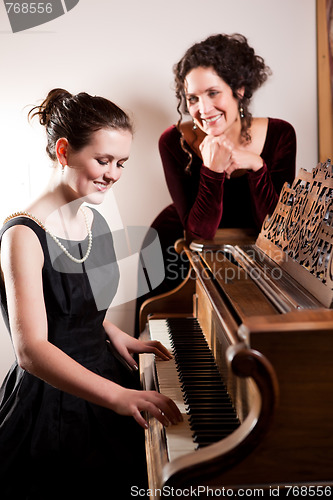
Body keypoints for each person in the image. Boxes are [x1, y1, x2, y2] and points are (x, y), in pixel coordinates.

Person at [0, 89, 182, 499]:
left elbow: (76, 305)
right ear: (64, 150)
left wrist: (117, 335)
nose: (113, 173)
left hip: (103, 372)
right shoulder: (22, 235)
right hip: (54, 398)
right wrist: (119, 396)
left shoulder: (92, 219)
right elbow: (31, 349)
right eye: (103, 160)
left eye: (121, 163)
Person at [135, 33, 297, 335]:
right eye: (192, 98)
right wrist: (212, 170)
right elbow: (200, 232)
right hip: (178, 251)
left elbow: (275, 231)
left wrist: (257, 167)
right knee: (169, 350)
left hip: (256, 256)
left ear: (239, 89)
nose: (203, 109)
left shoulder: (280, 134)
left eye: (213, 93)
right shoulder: (174, 141)